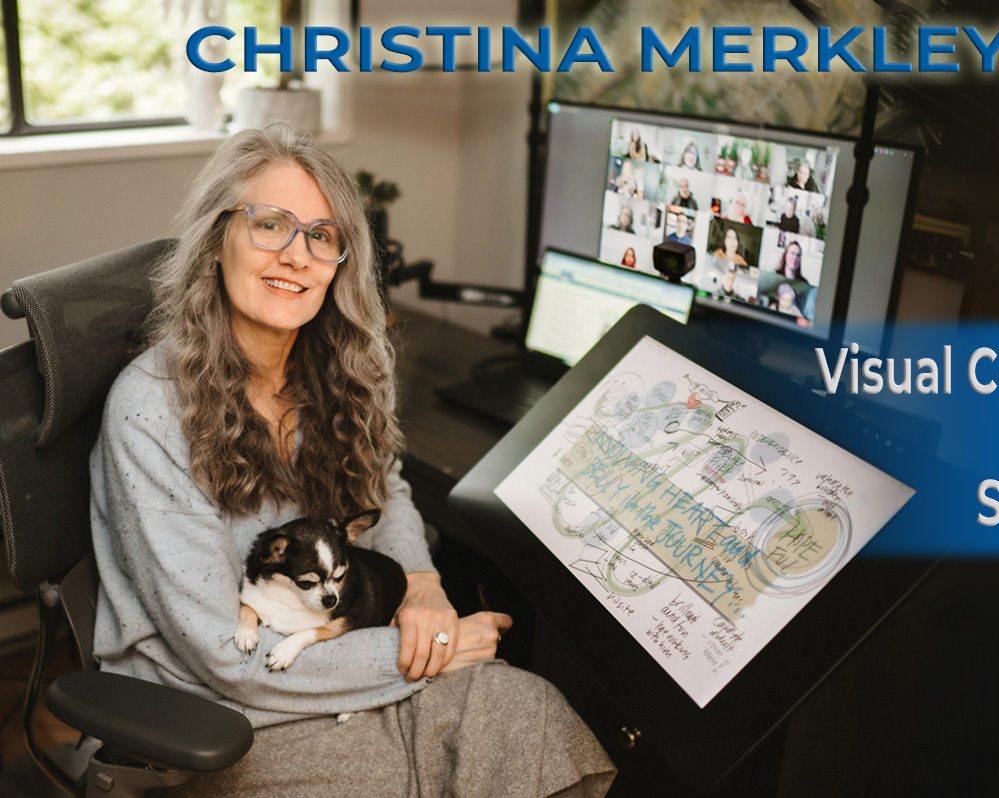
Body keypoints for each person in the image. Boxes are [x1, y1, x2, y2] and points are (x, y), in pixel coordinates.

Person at [89, 124, 614, 797]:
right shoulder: (150, 410)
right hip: (222, 709)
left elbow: (383, 490)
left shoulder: (342, 368)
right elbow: (223, 656)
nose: (297, 255)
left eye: (323, 235)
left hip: (341, 652)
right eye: (270, 224)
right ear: (217, 241)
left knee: (533, 716)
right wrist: (427, 653)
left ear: (343, 262)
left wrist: (422, 586)